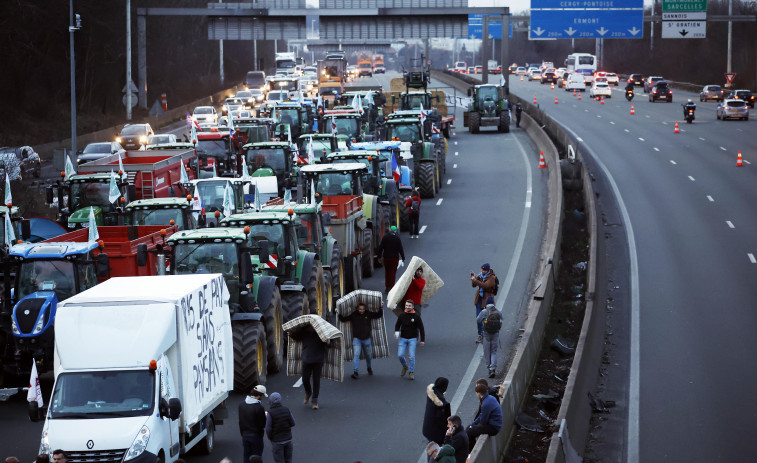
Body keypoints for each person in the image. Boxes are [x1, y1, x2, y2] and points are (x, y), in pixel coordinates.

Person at [289, 325, 330, 409]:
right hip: (306, 359)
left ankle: (314, 401)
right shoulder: (304, 331)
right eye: (311, 326)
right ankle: (308, 392)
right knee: (305, 378)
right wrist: (291, 334)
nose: (312, 327)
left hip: (318, 359)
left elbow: (329, 345)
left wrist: (328, 342)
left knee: (316, 380)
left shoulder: (322, 332)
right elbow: (297, 338)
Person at [338, 302, 383, 379]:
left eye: (363, 309)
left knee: (368, 356)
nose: (361, 310)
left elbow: (378, 315)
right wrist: (338, 312)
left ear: (365, 308)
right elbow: (343, 319)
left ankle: (369, 367)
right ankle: (355, 372)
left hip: (367, 339)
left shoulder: (368, 314)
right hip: (357, 339)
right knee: (356, 355)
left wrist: (381, 308)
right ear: (357, 309)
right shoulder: (353, 315)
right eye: (360, 309)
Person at [466, 384, 503, 452]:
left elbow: (483, 421)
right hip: (495, 424)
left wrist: (473, 427)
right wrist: (472, 424)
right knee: (470, 427)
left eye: (476, 393)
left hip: (493, 428)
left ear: (479, 393)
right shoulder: (490, 398)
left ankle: (470, 451)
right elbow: (481, 415)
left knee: (469, 431)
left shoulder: (485, 403)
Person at [394, 299, 425, 380]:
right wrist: (396, 332)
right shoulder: (402, 316)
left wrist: (422, 340)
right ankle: (405, 366)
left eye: (409, 306)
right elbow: (397, 325)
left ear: (413, 307)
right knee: (400, 355)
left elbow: (421, 328)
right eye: (406, 305)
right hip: (403, 338)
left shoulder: (416, 317)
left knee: (411, 356)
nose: (407, 307)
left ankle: (411, 372)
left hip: (412, 339)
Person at [239, 385, 268, 463]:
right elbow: (262, 424)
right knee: (256, 458)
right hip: (256, 437)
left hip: (245, 435)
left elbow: (240, 422)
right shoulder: (259, 408)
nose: (263, 397)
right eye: (262, 395)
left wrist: (243, 434)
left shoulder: (241, 404)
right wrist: (265, 416)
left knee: (246, 457)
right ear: (259, 395)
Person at [476, 296, 503, 378]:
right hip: (495, 333)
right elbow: (501, 321)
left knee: (487, 352)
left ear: (486, 303)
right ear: (493, 303)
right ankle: (493, 368)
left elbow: (478, 320)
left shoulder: (484, 311)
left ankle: (489, 369)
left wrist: (485, 321)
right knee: (493, 351)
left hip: (486, 334)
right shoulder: (498, 311)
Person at [266, 392, 296, 463]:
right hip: (288, 440)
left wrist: (270, 438)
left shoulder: (270, 413)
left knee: (280, 461)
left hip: (277, 442)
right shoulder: (286, 409)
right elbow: (293, 423)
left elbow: (268, 429)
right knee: (288, 460)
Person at [471, 263, 497, 344]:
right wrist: (474, 278)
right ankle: (480, 335)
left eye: (484, 270)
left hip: (487, 299)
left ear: (487, 270)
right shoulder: (480, 275)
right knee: (478, 317)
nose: (482, 271)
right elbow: (474, 285)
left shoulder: (492, 278)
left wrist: (476, 281)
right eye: (481, 269)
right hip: (479, 298)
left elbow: (485, 286)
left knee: (486, 318)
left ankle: (488, 334)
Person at [423, 377, 451, 446]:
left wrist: (441, 395)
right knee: (434, 452)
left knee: (430, 447)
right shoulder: (443, 404)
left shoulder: (431, 394)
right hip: (436, 435)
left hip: (427, 429)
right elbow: (445, 421)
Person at [377, 225, 405, 293]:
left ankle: (387, 287)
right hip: (394, 258)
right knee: (393, 272)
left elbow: (380, 248)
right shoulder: (397, 238)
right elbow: (400, 249)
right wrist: (403, 258)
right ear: (395, 230)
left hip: (386, 258)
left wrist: (379, 257)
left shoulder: (385, 237)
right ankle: (392, 287)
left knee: (387, 272)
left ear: (390, 230)